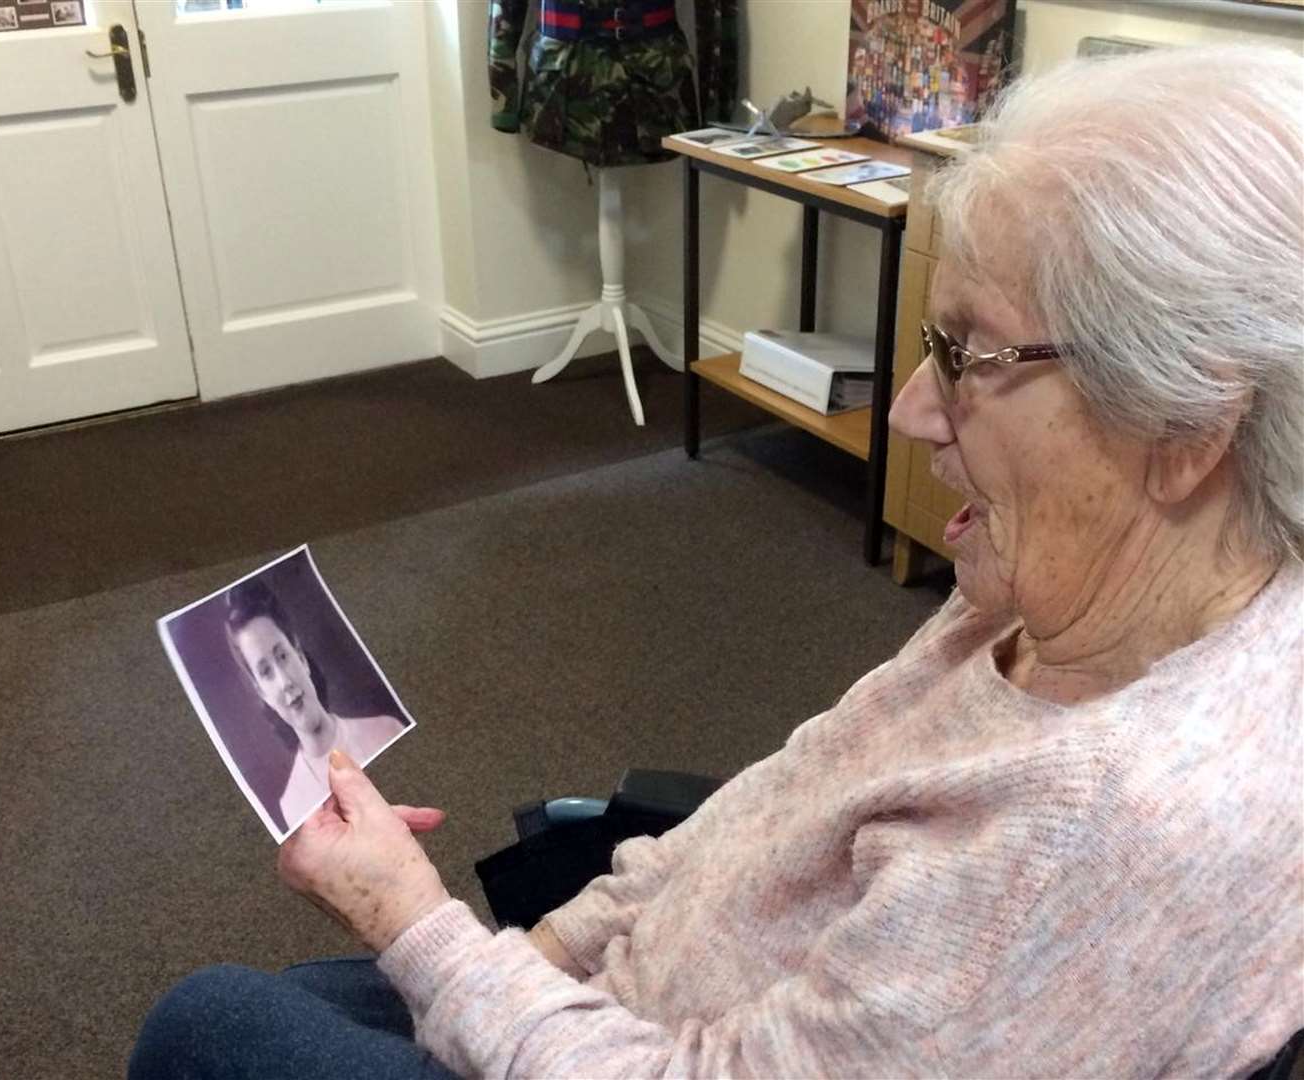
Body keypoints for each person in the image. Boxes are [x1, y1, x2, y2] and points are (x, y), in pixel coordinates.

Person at [131, 44, 1303, 1079]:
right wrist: (524, 962)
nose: (910, 412)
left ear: (1187, 428)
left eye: (969, 356)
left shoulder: (1084, 836)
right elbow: (763, 819)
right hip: (625, 1009)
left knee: (210, 1023)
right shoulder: (1045, 600)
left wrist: (413, 923)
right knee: (292, 1012)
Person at [224, 579, 404, 830]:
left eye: (283, 656)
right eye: (266, 672)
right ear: (262, 694)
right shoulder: (292, 806)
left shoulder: (387, 729)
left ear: (300, 656)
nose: (284, 681)